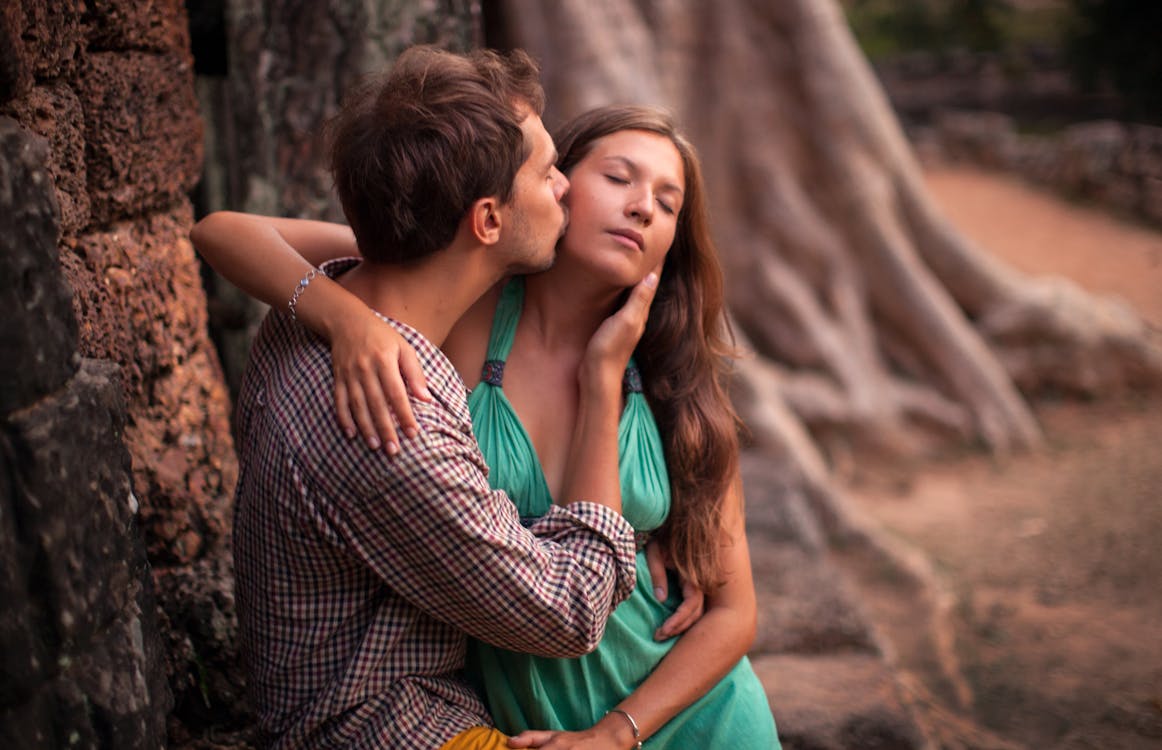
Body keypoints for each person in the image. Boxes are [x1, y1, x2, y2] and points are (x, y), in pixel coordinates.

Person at [197, 104, 779, 747]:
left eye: (668, 204)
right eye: (618, 178)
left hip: (685, 717)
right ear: (559, 186)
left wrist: (616, 734)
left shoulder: (678, 386)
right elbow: (226, 231)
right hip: (522, 714)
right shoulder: (469, 306)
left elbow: (734, 611)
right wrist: (343, 318)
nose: (643, 206)